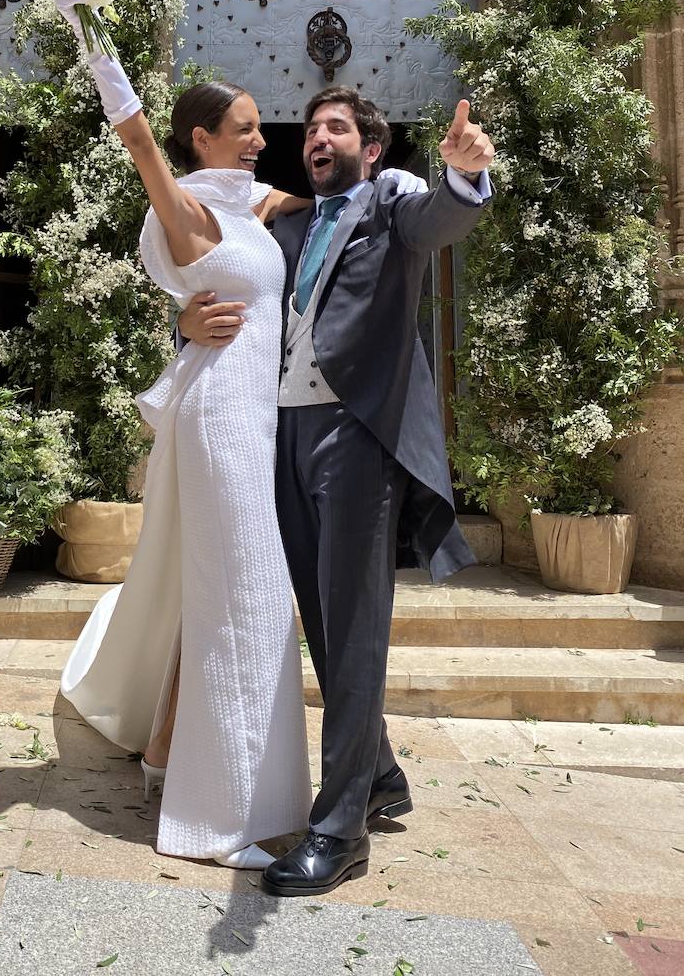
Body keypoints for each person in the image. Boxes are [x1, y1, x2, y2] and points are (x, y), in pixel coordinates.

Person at [48, 0, 425, 870]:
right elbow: (133, 130)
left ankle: (290, 767)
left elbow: (345, 207)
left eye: (265, 127)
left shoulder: (259, 208)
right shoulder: (180, 204)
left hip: (278, 423)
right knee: (248, 609)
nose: (269, 139)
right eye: (247, 128)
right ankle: (220, 818)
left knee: (249, 603)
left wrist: (414, 186)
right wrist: (85, 20)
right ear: (201, 137)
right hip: (222, 418)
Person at [179, 85, 494, 897]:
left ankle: (339, 827)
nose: (317, 137)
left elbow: (441, 222)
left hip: (356, 435)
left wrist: (460, 176)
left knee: (353, 626)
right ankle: (380, 773)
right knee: (321, 620)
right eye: (311, 128)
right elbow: (215, 269)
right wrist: (183, 321)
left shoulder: (394, 201)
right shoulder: (282, 219)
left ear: (371, 148)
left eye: (337, 128)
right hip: (281, 431)